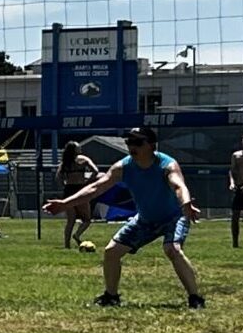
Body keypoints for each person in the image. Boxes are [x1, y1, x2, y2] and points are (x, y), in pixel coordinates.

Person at [45, 126, 204, 308]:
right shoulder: (124, 167)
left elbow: (178, 186)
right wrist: (65, 204)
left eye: (138, 142)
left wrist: (185, 204)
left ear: (152, 146)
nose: (132, 147)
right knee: (111, 252)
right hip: (145, 219)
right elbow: (96, 187)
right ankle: (111, 296)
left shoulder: (166, 164)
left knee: (172, 249)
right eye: (129, 142)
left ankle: (195, 298)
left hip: (174, 217)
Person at [55, 140, 101, 248]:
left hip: (68, 190)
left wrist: (64, 185)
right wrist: (88, 182)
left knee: (70, 220)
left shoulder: (65, 163)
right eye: (78, 147)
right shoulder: (83, 159)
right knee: (87, 219)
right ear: (76, 150)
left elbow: (58, 177)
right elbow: (95, 171)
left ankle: (67, 245)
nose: (80, 148)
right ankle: (77, 235)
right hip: (80, 189)